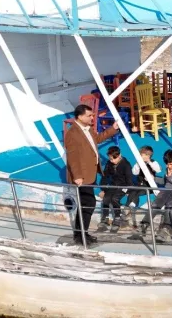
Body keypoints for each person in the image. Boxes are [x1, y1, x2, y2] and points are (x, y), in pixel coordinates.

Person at [65, 104, 118, 246]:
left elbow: (98, 139)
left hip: (90, 173)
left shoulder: (88, 129)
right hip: (82, 176)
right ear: (80, 116)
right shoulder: (72, 134)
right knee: (88, 203)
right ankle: (81, 235)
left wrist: (113, 129)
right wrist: (77, 176)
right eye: (89, 115)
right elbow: (72, 157)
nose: (92, 118)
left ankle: (81, 233)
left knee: (85, 204)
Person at [139, 150, 172, 241]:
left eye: (171, 164)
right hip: (166, 191)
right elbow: (164, 181)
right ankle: (145, 223)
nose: (169, 166)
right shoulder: (168, 168)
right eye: (167, 164)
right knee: (155, 205)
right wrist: (153, 178)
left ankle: (165, 230)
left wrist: (170, 176)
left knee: (168, 207)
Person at [98, 146, 132, 232]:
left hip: (123, 186)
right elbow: (105, 176)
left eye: (114, 159)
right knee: (106, 198)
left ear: (119, 155)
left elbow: (129, 179)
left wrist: (128, 190)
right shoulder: (109, 164)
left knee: (114, 199)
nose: (112, 161)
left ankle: (117, 218)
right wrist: (103, 188)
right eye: (110, 159)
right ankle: (105, 218)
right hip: (113, 185)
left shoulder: (126, 165)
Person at [125, 146, 161, 229]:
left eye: (145, 155)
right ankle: (128, 208)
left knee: (138, 193)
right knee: (133, 191)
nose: (143, 157)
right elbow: (135, 172)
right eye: (142, 155)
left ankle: (132, 206)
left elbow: (158, 169)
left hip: (149, 186)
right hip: (140, 184)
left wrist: (149, 163)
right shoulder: (139, 163)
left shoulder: (153, 162)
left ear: (149, 156)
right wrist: (138, 163)